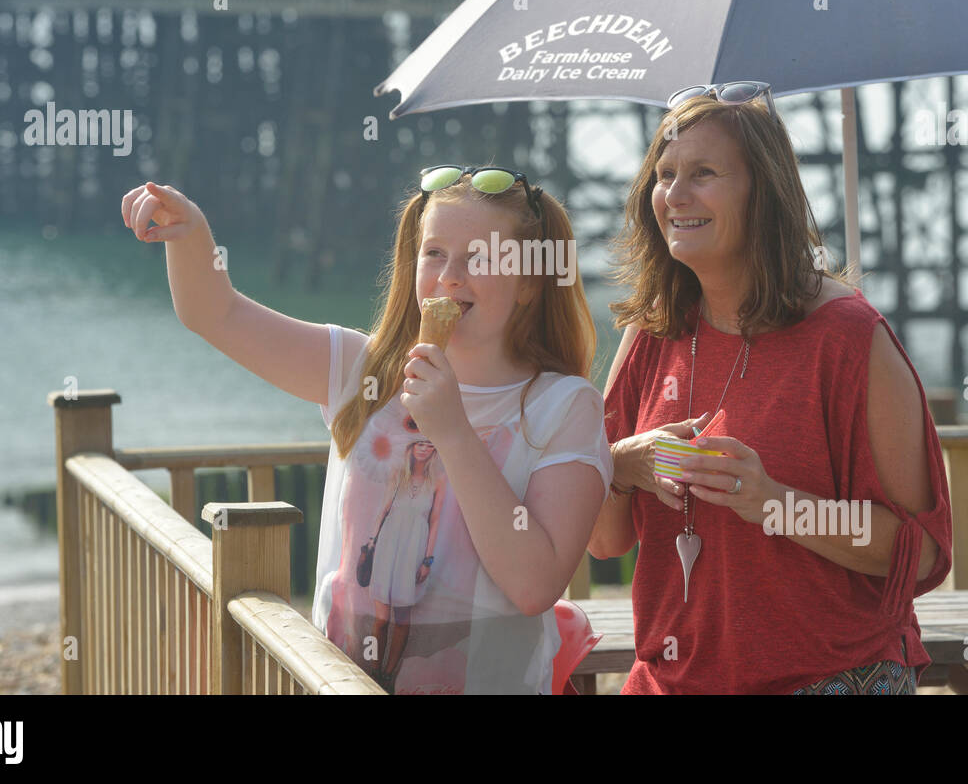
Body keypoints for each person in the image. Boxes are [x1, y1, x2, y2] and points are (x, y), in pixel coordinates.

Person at [122, 165, 612, 694]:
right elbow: (214, 313)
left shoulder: (562, 407)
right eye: (435, 253)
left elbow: (534, 584)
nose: (450, 275)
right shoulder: (362, 369)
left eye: (481, 258)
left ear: (529, 285)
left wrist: (452, 432)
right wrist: (192, 233)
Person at [588, 82, 953, 694]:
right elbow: (603, 538)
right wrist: (625, 464)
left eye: (703, 173)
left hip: (827, 680)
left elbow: (920, 554)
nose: (675, 195)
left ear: (764, 192)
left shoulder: (848, 337)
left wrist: (776, 504)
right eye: (665, 173)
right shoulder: (651, 330)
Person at [364, 438, 447, 687]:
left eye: (430, 445)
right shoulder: (398, 474)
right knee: (381, 618)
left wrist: (427, 560)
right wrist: (371, 541)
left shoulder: (438, 481)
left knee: (402, 618)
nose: (424, 448)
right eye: (419, 444)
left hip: (414, 550)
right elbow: (384, 508)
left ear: (434, 451)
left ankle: (389, 673)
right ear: (410, 448)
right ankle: (373, 669)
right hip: (388, 545)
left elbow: (434, 522)